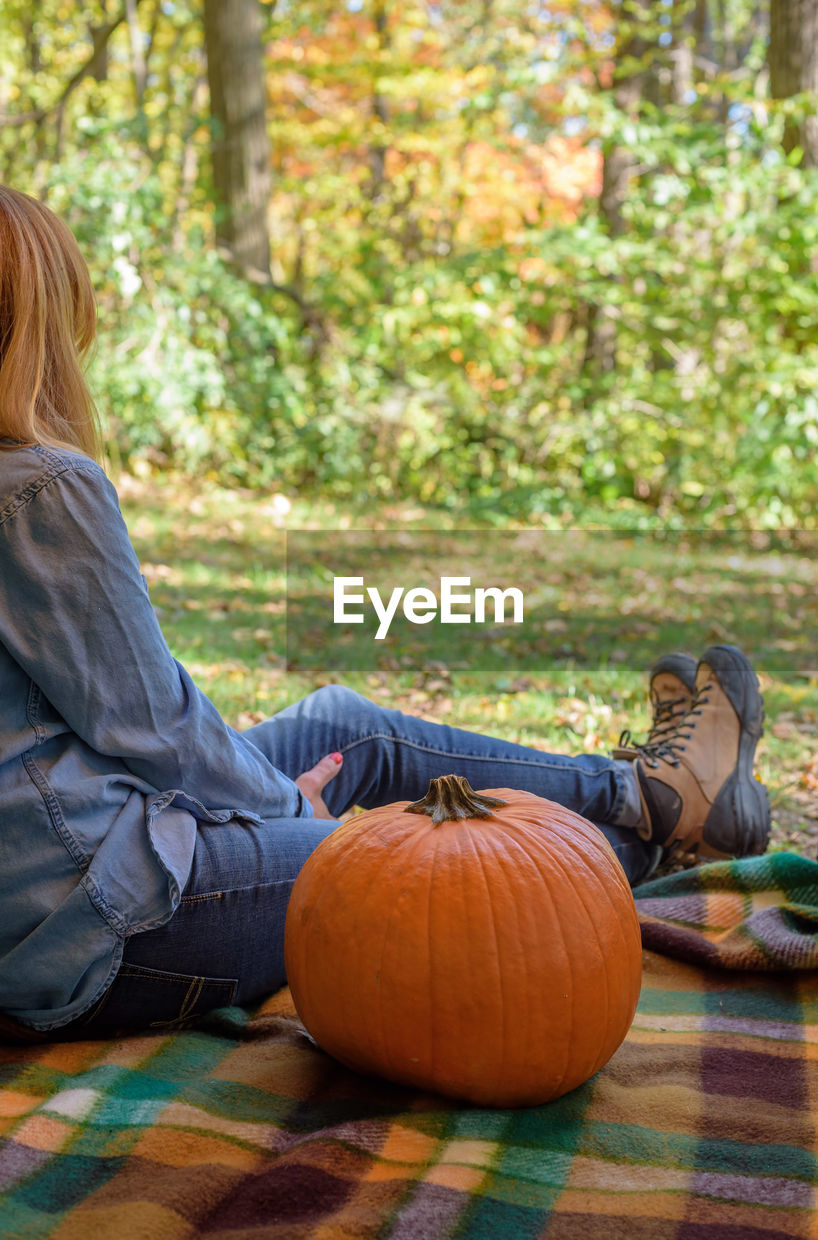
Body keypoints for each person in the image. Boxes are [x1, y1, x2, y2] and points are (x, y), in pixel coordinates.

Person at [0, 186, 771, 1041]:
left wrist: (258, 802)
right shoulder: (37, 486)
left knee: (344, 727)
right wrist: (290, 814)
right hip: (86, 917)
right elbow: (154, 727)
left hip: (74, 841)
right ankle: (656, 841)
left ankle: (649, 794)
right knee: (434, 881)